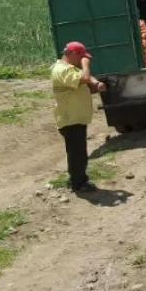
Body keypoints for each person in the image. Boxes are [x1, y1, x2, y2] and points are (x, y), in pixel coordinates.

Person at [51, 41, 106, 193]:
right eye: (81, 57)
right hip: (70, 119)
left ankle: (76, 180)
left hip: (75, 118)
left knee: (78, 152)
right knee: (77, 154)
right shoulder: (61, 70)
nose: (83, 60)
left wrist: (96, 84)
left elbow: (85, 79)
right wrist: (86, 65)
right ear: (73, 54)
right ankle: (78, 183)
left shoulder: (69, 69)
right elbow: (84, 78)